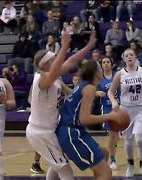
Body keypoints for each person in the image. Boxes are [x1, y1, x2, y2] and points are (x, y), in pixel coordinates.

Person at [26, 32, 97, 180]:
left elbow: (72, 60)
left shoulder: (54, 75)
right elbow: (54, 72)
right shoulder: (41, 79)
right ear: (45, 64)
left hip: (50, 129)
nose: (57, 61)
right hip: (40, 133)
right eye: (53, 59)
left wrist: (89, 46)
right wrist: (64, 47)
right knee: (64, 169)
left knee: (59, 162)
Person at [56, 59, 124, 180]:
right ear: (95, 72)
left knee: (104, 153)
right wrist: (111, 116)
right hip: (71, 133)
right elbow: (85, 119)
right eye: (99, 67)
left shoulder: (84, 86)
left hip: (75, 130)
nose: (101, 69)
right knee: (106, 173)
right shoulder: (89, 88)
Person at [108, 48, 142, 179]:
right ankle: (130, 165)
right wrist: (114, 102)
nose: (129, 57)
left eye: (131, 54)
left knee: (139, 137)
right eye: (127, 55)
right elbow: (110, 91)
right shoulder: (120, 74)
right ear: (124, 58)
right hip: (125, 110)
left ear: (135, 56)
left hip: (141, 109)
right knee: (127, 140)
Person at [96, 56, 119, 171]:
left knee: (116, 137)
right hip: (106, 108)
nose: (105, 64)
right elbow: (88, 89)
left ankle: (112, 151)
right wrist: (96, 92)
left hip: (119, 108)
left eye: (108, 62)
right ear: (101, 65)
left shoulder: (118, 75)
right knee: (112, 133)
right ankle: (113, 159)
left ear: (111, 64)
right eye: (103, 62)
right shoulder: (99, 78)